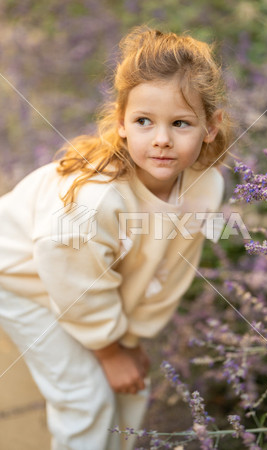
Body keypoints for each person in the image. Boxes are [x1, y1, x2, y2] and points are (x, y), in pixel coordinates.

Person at [0, 26, 232, 450]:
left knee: (132, 386)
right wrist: (108, 351)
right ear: (122, 121)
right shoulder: (98, 199)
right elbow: (73, 282)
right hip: (19, 277)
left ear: (211, 126)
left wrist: (131, 339)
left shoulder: (204, 187)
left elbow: (170, 273)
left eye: (181, 123)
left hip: (78, 283)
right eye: (144, 121)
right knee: (84, 394)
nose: (161, 139)